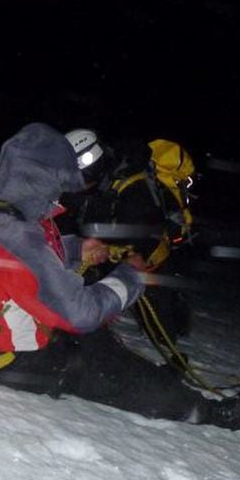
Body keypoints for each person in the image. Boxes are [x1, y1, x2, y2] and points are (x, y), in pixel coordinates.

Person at [0, 121, 240, 430]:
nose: (64, 191)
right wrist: (131, 276)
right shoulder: (17, 234)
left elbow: (6, 262)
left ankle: (157, 380)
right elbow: (80, 313)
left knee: (101, 343)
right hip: (16, 359)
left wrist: (77, 249)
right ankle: (208, 412)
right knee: (102, 359)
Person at [59, 129, 196, 347]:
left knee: (161, 335)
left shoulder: (135, 188)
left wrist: (114, 253)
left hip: (147, 260)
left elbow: (147, 236)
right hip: (103, 255)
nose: (76, 183)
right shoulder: (89, 186)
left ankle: (175, 307)